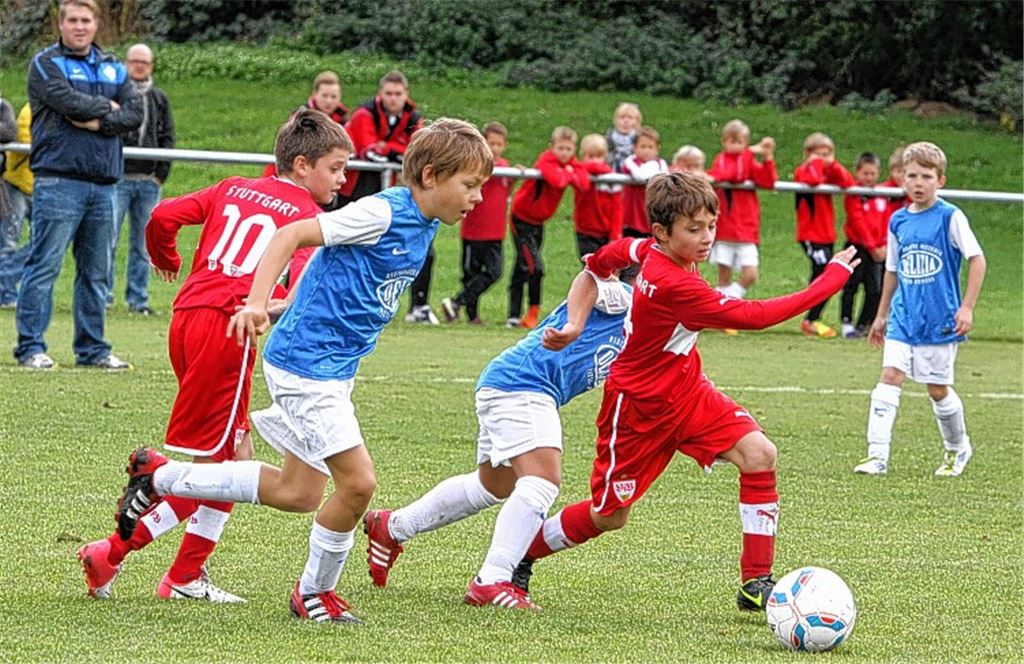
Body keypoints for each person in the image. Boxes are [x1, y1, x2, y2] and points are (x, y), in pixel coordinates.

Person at [111, 119, 493, 624]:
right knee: (358, 485)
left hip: (330, 367)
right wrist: (252, 303)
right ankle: (314, 592)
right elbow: (291, 234)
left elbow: (327, 264)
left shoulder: (421, 224)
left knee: (299, 492)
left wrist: (283, 306)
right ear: (429, 175)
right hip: (307, 367)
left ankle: (162, 476)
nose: (478, 198)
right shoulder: (382, 212)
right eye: (470, 185)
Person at [509, 172, 858, 612]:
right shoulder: (678, 286)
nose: (706, 237)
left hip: (688, 393)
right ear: (662, 232)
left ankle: (756, 584)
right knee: (608, 516)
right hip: (637, 409)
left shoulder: (641, 248)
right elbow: (756, 316)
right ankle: (518, 554)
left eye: (710, 226)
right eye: (693, 230)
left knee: (759, 455)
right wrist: (829, 280)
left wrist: (577, 322)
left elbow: (598, 263)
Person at [76, 110, 352, 602]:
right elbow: (298, 288)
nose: (343, 178)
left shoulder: (233, 187)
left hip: (187, 317)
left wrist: (167, 258)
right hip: (228, 328)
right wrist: (279, 309)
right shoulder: (308, 220)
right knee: (217, 468)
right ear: (304, 165)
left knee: (233, 460)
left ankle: (183, 578)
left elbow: (162, 217)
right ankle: (112, 553)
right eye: (335, 167)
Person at [364, 266, 633, 610]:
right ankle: (491, 580)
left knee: (492, 486)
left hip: (511, 382)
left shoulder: (646, 331)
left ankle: (395, 525)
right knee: (542, 481)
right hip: (524, 384)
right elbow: (592, 278)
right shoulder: (627, 299)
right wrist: (575, 325)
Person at [15, 0, 142, 370]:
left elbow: (134, 114)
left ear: (95, 24)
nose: (80, 26)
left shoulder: (115, 66)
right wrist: (109, 108)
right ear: (62, 23)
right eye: (72, 19)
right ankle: (30, 347)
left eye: (86, 20)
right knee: (44, 267)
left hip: (104, 186)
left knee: (96, 272)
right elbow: (64, 100)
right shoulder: (45, 64)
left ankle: (93, 350)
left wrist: (100, 121)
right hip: (58, 181)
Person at [854, 142, 985, 477]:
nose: (918, 182)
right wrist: (880, 315)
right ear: (901, 179)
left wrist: (966, 307)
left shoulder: (950, 217)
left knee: (937, 390)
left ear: (940, 180)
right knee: (890, 376)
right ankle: (877, 455)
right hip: (903, 318)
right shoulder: (898, 220)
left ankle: (958, 448)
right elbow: (893, 271)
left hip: (939, 321)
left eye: (926, 176)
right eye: (912, 175)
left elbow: (977, 259)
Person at [107, 43, 175, 316]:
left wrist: (160, 175)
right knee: (107, 240)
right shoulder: (115, 95)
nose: (138, 66)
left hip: (148, 181)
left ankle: (138, 300)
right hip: (118, 178)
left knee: (143, 244)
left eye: (143, 62)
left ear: (151, 66)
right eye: (134, 61)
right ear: (125, 64)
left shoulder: (158, 98)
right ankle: (104, 297)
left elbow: (168, 136)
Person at [507, 126, 590, 329]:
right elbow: (558, 181)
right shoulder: (545, 161)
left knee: (522, 265)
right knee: (535, 267)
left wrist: (569, 171)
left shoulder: (570, 164)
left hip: (538, 222)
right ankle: (532, 312)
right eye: (560, 148)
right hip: (522, 220)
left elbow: (584, 184)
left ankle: (513, 315)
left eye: (569, 149)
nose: (564, 153)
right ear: (552, 147)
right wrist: (568, 173)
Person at [441, 121, 512, 324]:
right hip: (473, 232)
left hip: (495, 233)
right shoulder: (474, 167)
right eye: (491, 143)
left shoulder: (505, 169)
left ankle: (456, 302)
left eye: (499, 144)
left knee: (494, 272)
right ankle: (472, 316)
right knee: (470, 273)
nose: (495, 148)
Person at [707, 120, 777, 308]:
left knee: (751, 274)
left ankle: (729, 302)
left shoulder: (748, 161)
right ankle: (721, 313)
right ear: (724, 142)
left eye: (740, 142)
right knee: (724, 275)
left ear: (746, 141)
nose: (736, 146)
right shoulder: (722, 160)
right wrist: (750, 152)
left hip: (746, 229)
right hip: (725, 229)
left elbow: (768, 181)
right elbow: (729, 174)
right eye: (732, 141)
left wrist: (768, 158)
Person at [793, 132, 854, 339]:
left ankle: (812, 317)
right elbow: (813, 179)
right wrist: (816, 163)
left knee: (824, 275)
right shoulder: (804, 171)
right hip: (810, 235)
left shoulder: (829, 172)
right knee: (825, 273)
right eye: (820, 154)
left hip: (827, 234)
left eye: (828, 153)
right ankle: (811, 319)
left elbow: (847, 182)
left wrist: (833, 164)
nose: (824, 158)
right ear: (808, 154)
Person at [839, 152, 888, 339]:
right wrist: (873, 247)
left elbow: (885, 221)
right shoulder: (854, 194)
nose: (869, 177)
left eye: (872, 173)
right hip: (857, 247)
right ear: (857, 172)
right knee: (851, 285)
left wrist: (882, 245)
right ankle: (847, 322)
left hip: (877, 249)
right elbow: (858, 221)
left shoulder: (882, 194)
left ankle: (864, 323)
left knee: (875, 288)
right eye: (865, 173)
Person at [572, 134, 621, 259]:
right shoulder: (580, 173)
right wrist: (601, 169)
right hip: (585, 232)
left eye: (598, 157)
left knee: (606, 269)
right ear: (582, 157)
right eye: (590, 156)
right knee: (590, 268)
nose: (594, 161)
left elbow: (617, 208)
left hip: (605, 232)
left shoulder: (611, 178)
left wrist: (615, 236)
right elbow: (584, 168)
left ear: (605, 157)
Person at [0, 98, 28, 308]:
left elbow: (9, 133)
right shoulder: (29, 111)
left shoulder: (3, 106)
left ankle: (5, 288)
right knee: (8, 243)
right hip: (17, 184)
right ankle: (6, 292)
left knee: (41, 243)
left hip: (33, 185)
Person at [620, 126, 668, 239]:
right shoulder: (630, 161)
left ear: (657, 149)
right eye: (642, 147)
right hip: (632, 215)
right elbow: (639, 176)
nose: (646, 150)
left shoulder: (661, 163)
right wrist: (652, 169)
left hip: (652, 212)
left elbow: (665, 177)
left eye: (650, 147)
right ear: (634, 148)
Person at [604, 102, 642, 173]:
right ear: (616, 120)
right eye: (622, 117)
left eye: (630, 118)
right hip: (611, 171)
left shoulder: (640, 138)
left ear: (637, 122)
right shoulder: (609, 138)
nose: (626, 121)